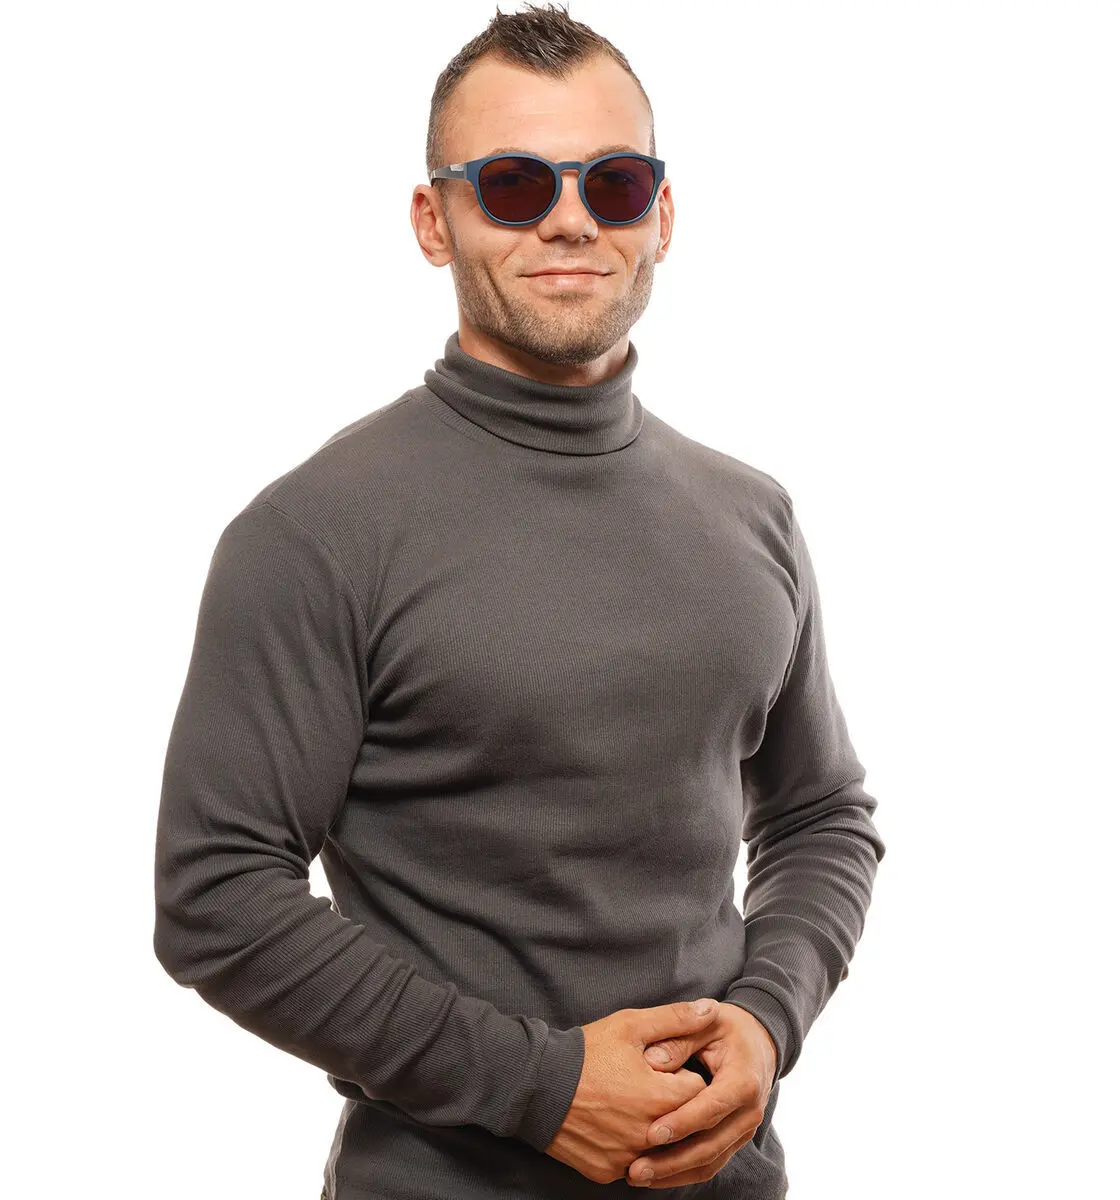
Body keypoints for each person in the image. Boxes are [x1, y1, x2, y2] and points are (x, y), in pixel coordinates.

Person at [152, 4, 887, 1197]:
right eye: (511, 183)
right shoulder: (314, 534)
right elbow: (217, 899)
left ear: (662, 216)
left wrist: (766, 1021)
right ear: (432, 221)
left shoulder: (752, 512)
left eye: (615, 182)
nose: (570, 218)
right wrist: (542, 1090)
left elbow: (820, 816)